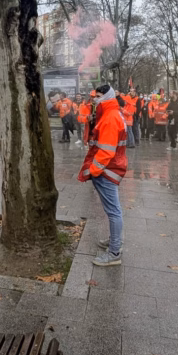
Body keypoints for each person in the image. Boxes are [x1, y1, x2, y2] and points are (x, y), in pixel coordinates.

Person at [78, 84, 128, 267]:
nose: (94, 99)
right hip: (111, 168)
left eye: (98, 96)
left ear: (107, 97)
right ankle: (114, 242)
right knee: (113, 211)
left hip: (107, 170)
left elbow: (106, 151)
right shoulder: (112, 114)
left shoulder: (110, 117)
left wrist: (94, 170)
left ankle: (114, 252)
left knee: (113, 211)